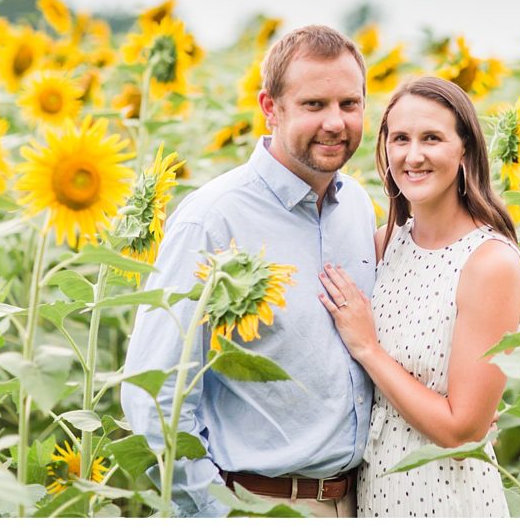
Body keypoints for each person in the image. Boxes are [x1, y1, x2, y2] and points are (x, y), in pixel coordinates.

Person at [122, 25, 376, 517]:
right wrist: (212, 510)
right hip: (255, 502)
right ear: (270, 108)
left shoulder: (359, 209)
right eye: (313, 104)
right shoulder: (213, 219)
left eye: (349, 104)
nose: (335, 122)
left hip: (355, 501)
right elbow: (153, 392)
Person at [317, 76, 520, 517]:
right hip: (376, 495)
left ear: (465, 150)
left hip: (447, 500)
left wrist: (368, 349)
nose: (412, 156)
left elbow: (461, 432)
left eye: (431, 138)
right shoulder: (383, 245)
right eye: (400, 139)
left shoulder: (490, 263)